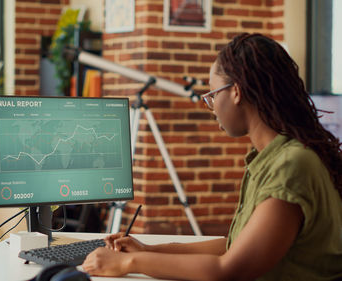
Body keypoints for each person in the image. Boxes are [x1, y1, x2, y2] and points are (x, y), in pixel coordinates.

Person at [82, 33, 342, 280]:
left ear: (236, 92)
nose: (212, 107)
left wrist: (128, 263)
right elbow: (232, 246)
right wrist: (147, 250)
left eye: (213, 95)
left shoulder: (291, 165)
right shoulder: (271, 158)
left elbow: (227, 269)